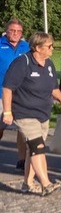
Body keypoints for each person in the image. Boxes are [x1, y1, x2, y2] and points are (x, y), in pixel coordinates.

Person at [2, 32, 61, 195]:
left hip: (43, 113)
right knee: (38, 147)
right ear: (37, 48)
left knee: (33, 149)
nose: (52, 48)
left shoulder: (49, 64)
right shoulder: (22, 63)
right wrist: (7, 111)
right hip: (24, 113)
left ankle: (27, 183)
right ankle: (46, 184)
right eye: (49, 46)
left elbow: (53, 88)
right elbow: (8, 87)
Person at [0, 18, 28, 170]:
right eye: (12, 30)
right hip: (2, 93)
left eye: (18, 31)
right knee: (1, 127)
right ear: (6, 31)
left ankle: (22, 159)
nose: (15, 34)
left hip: (21, 95)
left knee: (23, 128)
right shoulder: (0, 45)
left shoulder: (26, 47)